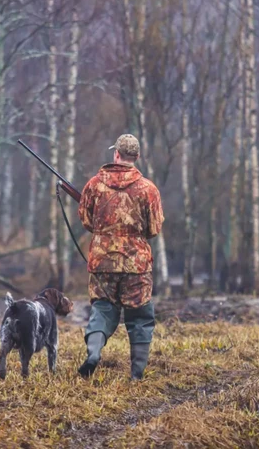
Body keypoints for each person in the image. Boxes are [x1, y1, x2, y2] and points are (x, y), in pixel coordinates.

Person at [76, 133, 165, 380]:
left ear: (116, 154)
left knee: (102, 310)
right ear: (136, 157)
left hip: (102, 262)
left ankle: (93, 353)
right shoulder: (148, 189)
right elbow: (155, 228)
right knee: (139, 317)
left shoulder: (93, 185)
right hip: (137, 265)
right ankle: (136, 376)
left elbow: (85, 220)